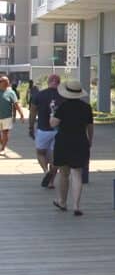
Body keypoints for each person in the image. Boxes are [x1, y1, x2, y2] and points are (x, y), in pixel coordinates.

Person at [50, 80, 94, 216]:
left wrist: (52, 114)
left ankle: (62, 202)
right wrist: (90, 141)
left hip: (63, 142)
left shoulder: (62, 107)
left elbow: (53, 124)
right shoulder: (87, 107)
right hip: (80, 141)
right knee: (77, 174)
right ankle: (76, 205)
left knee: (64, 174)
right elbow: (90, 127)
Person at [29, 75, 63, 188]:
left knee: (40, 153)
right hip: (59, 131)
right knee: (55, 158)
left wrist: (30, 128)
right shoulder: (64, 96)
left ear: (48, 82)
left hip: (43, 130)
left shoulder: (39, 95)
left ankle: (45, 172)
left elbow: (33, 112)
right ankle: (51, 181)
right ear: (59, 83)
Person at [0, 76, 24, 153]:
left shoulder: (11, 92)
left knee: (5, 132)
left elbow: (16, 104)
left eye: (7, 81)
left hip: (7, 117)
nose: (7, 82)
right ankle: (2, 143)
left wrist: (21, 115)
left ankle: (3, 148)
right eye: (3, 81)